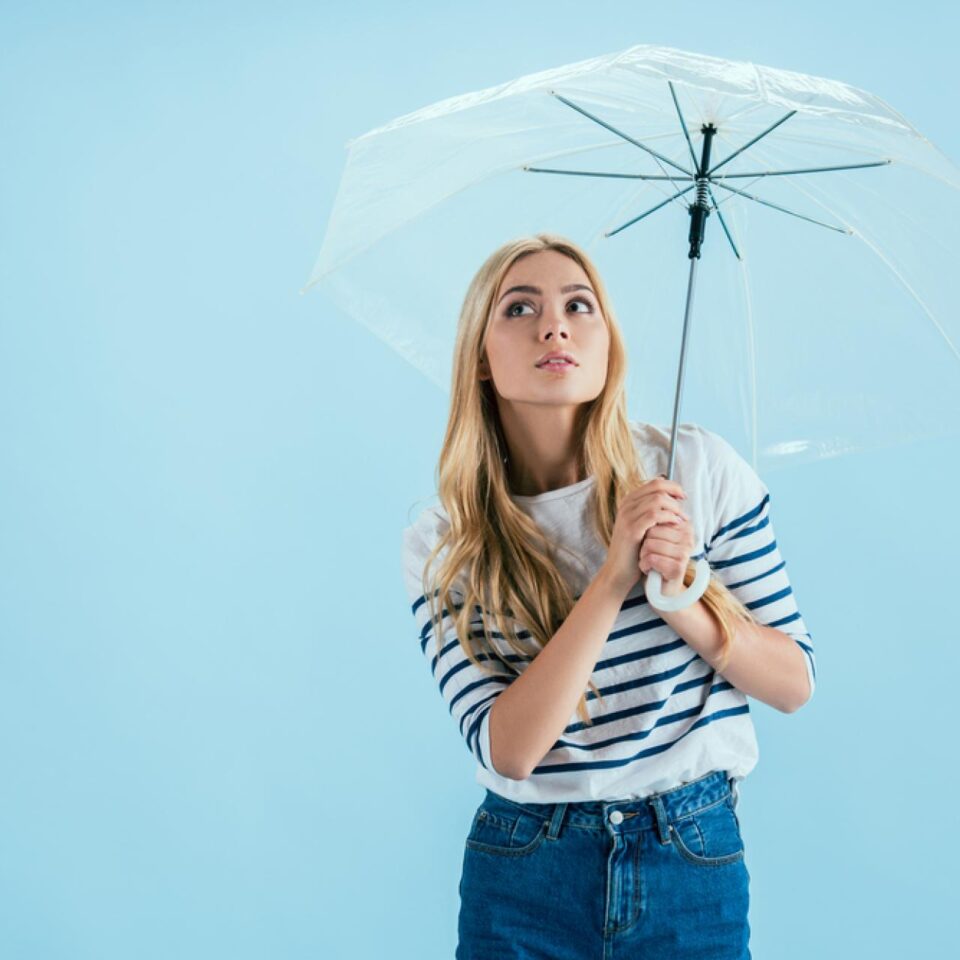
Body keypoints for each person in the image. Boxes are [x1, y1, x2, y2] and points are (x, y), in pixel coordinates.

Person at [400, 233, 816, 959]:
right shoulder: (445, 538)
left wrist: (686, 595)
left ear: (607, 342)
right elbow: (510, 751)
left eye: (578, 304)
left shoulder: (694, 470)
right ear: (479, 358)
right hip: (527, 870)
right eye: (520, 307)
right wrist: (613, 576)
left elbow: (793, 683)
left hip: (691, 857)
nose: (554, 325)